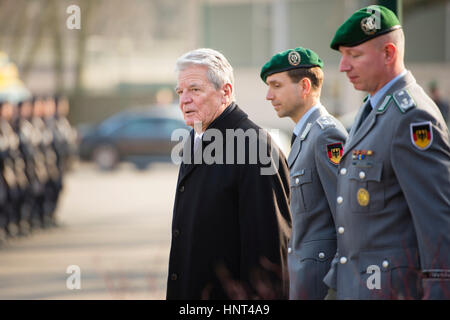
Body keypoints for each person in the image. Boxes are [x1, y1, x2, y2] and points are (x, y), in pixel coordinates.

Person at [324, 5, 450, 299]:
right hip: (358, 286)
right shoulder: (373, 110)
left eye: (354, 55)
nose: (343, 66)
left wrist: (440, 291)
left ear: (389, 53)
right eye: (343, 55)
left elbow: (438, 223)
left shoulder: (412, 117)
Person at [166, 48, 292, 300]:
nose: (184, 100)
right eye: (180, 92)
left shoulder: (255, 147)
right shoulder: (195, 137)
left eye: (195, 90)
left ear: (226, 92)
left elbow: (267, 256)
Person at [260, 47, 348, 299]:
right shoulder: (304, 136)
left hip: (322, 284)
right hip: (303, 281)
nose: (269, 95)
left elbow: (347, 220)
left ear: (305, 86)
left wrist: (334, 287)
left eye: (276, 85)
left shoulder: (326, 135)